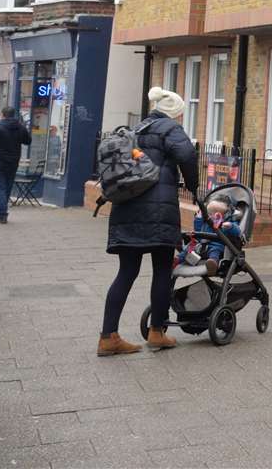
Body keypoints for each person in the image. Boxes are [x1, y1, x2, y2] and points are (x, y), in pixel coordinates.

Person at [97, 87, 198, 357]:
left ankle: (108, 336)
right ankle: (157, 332)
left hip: (127, 208)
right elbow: (188, 155)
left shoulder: (137, 129)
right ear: (176, 114)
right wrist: (194, 186)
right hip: (158, 213)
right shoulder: (169, 128)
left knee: (126, 272)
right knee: (162, 270)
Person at [176, 196, 241, 276]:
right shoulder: (205, 221)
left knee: (215, 251)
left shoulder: (227, 221)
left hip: (216, 244)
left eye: (216, 214)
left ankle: (213, 264)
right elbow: (198, 231)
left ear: (225, 214)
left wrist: (230, 226)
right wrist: (199, 219)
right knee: (188, 248)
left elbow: (238, 231)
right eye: (209, 213)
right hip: (200, 245)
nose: (211, 216)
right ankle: (177, 260)